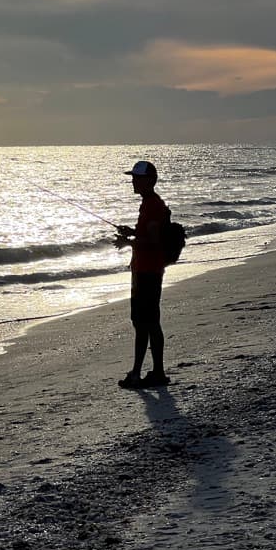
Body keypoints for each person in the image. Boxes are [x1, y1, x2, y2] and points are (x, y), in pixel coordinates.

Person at [114, 160, 171, 389]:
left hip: (148, 272)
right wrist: (132, 232)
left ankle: (139, 373)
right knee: (149, 322)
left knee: (143, 323)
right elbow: (148, 233)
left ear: (149, 180)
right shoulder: (149, 204)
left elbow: (154, 241)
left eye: (137, 178)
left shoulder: (153, 205)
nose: (133, 182)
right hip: (147, 270)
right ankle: (155, 372)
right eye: (133, 178)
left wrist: (129, 242)